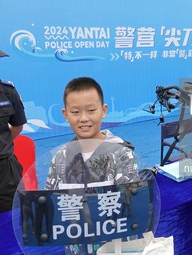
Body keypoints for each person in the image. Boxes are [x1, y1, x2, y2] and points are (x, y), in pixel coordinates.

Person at [44, 77, 140, 254]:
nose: (83, 118)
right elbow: (52, 202)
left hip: (114, 247)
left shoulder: (121, 153)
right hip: (77, 247)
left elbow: (132, 205)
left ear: (103, 111)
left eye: (91, 110)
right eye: (75, 112)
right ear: (65, 114)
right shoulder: (60, 158)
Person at [0, 30, 27, 213]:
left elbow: (18, 124)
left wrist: (0, 144)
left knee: (17, 223)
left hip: (7, 173)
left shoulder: (7, 91)